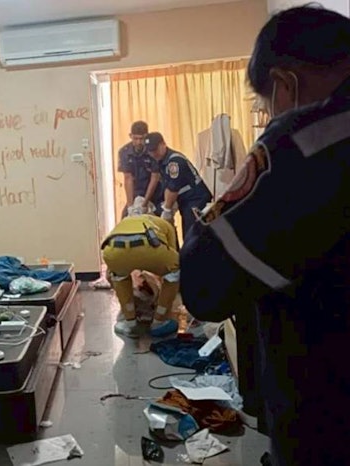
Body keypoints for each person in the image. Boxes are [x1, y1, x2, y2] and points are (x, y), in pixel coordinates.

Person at [179, 5, 350, 466]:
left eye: (266, 104)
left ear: (284, 85)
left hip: (329, 422)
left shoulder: (308, 140)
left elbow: (204, 284)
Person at [101, 213, 180, 338]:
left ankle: (129, 322)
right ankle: (159, 321)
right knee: (174, 273)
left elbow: (109, 275)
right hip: (150, 247)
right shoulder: (165, 225)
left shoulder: (124, 223)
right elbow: (170, 261)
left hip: (113, 250)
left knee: (118, 277)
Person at [144, 132, 212, 239]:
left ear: (163, 144)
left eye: (155, 150)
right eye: (150, 151)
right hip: (185, 200)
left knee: (192, 234)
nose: (153, 154)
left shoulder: (175, 162)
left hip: (196, 200)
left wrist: (167, 210)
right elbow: (167, 186)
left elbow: (173, 188)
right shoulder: (161, 160)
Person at [117, 121, 164, 218]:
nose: (138, 142)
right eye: (135, 138)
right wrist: (130, 206)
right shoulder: (124, 152)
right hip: (136, 193)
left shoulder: (152, 149)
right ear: (130, 136)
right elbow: (128, 178)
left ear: (146, 136)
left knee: (162, 220)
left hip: (155, 193)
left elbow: (154, 178)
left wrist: (145, 204)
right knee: (125, 217)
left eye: (141, 138)